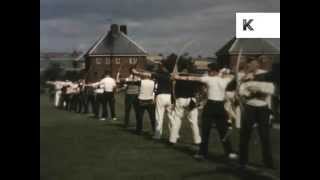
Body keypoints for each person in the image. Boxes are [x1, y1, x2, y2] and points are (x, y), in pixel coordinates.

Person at [173, 63, 238, 160]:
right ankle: (230, 152)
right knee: (223, 131)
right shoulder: (225, 79)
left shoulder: (209, 79)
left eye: (209, 70)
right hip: (220, 107)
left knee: (206, 131)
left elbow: (192, 78)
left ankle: (202, 153)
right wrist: (226, 73)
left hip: (210, 106)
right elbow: (233, 75)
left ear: (213, 71)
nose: (207, 72)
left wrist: (177, 77)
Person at [237, 58, 275, 169]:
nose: (250, 66)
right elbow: (241, 91)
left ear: (257, 65)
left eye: (252, 64)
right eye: (249, 64)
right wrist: (248, 91)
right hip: (249, 107)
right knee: (245, 135)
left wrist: (257, 90)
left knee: (264, 136)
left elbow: (271, 90)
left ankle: (268, 162)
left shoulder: (265, 75)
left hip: (263, 108)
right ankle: (243, 160)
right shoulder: (245, 77)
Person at [132, 63, 174, 140]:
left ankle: (157, 135)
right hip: (169, 97)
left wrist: (135, 72)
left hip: (161, 96)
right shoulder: (170, 76)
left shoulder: (159, 75)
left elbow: (147, 75)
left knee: (159, 117)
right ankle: (174, 136)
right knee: (171, 117)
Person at [169, 68, 202, 146]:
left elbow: (173, 89)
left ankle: (172, 140)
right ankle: (197, 141)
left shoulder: (178, 80)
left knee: (177, 120)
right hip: (191, 100)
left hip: (181, 100)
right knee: (193, 121)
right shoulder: (191, 80)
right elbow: (199, 87)